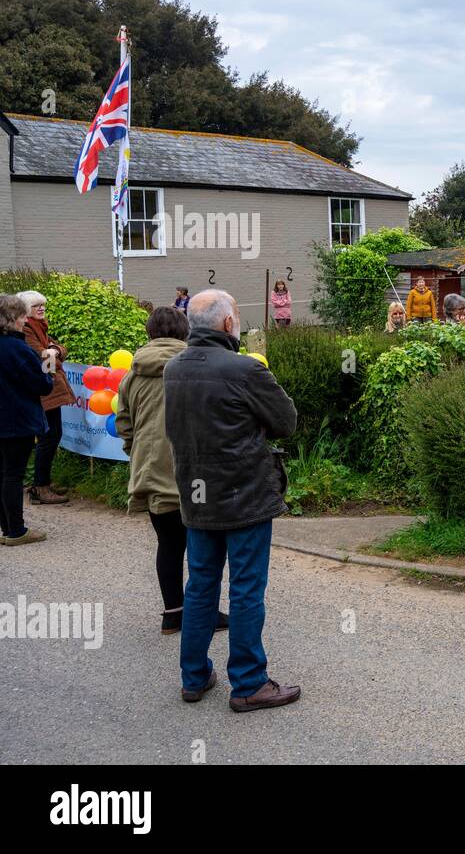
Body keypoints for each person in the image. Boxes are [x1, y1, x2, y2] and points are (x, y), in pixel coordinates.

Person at [164, 289, 300, 711]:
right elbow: (286, 422)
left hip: (196, 494)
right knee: (245, 588)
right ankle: (248, 682)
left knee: (201, 585)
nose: (238, 321)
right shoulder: (244, 370)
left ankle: (195, 676)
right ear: (227, 324)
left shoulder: (173, 368)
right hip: (244, 495)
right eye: (237, 314)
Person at [118, 307, 229, 635]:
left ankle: (173, 613)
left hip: (150, 468)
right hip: (192, 469)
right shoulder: (196, 366)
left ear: (150, 332)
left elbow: (124, 422)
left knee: (168, 542)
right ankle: (204, 613)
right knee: (201, 545)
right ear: (185, 333)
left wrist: (137, 453)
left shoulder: (133, 373)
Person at [0, 294, 52, 546]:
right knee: (12, 475)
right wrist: (49, 369)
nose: (25, 320)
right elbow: (42, 385)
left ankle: (5, 526)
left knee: (3, 474)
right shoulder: (18, 349)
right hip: (15, 420)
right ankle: (16, 530)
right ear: (12, 319)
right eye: (22, 316)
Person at [18, 291, 73, 505]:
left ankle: (43, 483)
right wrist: (52, 354)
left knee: (53, 435)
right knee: (49, 437)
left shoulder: (40, 327)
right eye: (36, 306)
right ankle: (39, 487)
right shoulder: (27, 329)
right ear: (26, 310)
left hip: (50, 389)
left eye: (43, 305)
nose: (41, 308)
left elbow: (59, 350)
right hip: (43, 391)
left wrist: (54, 351)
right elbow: (42, 358)